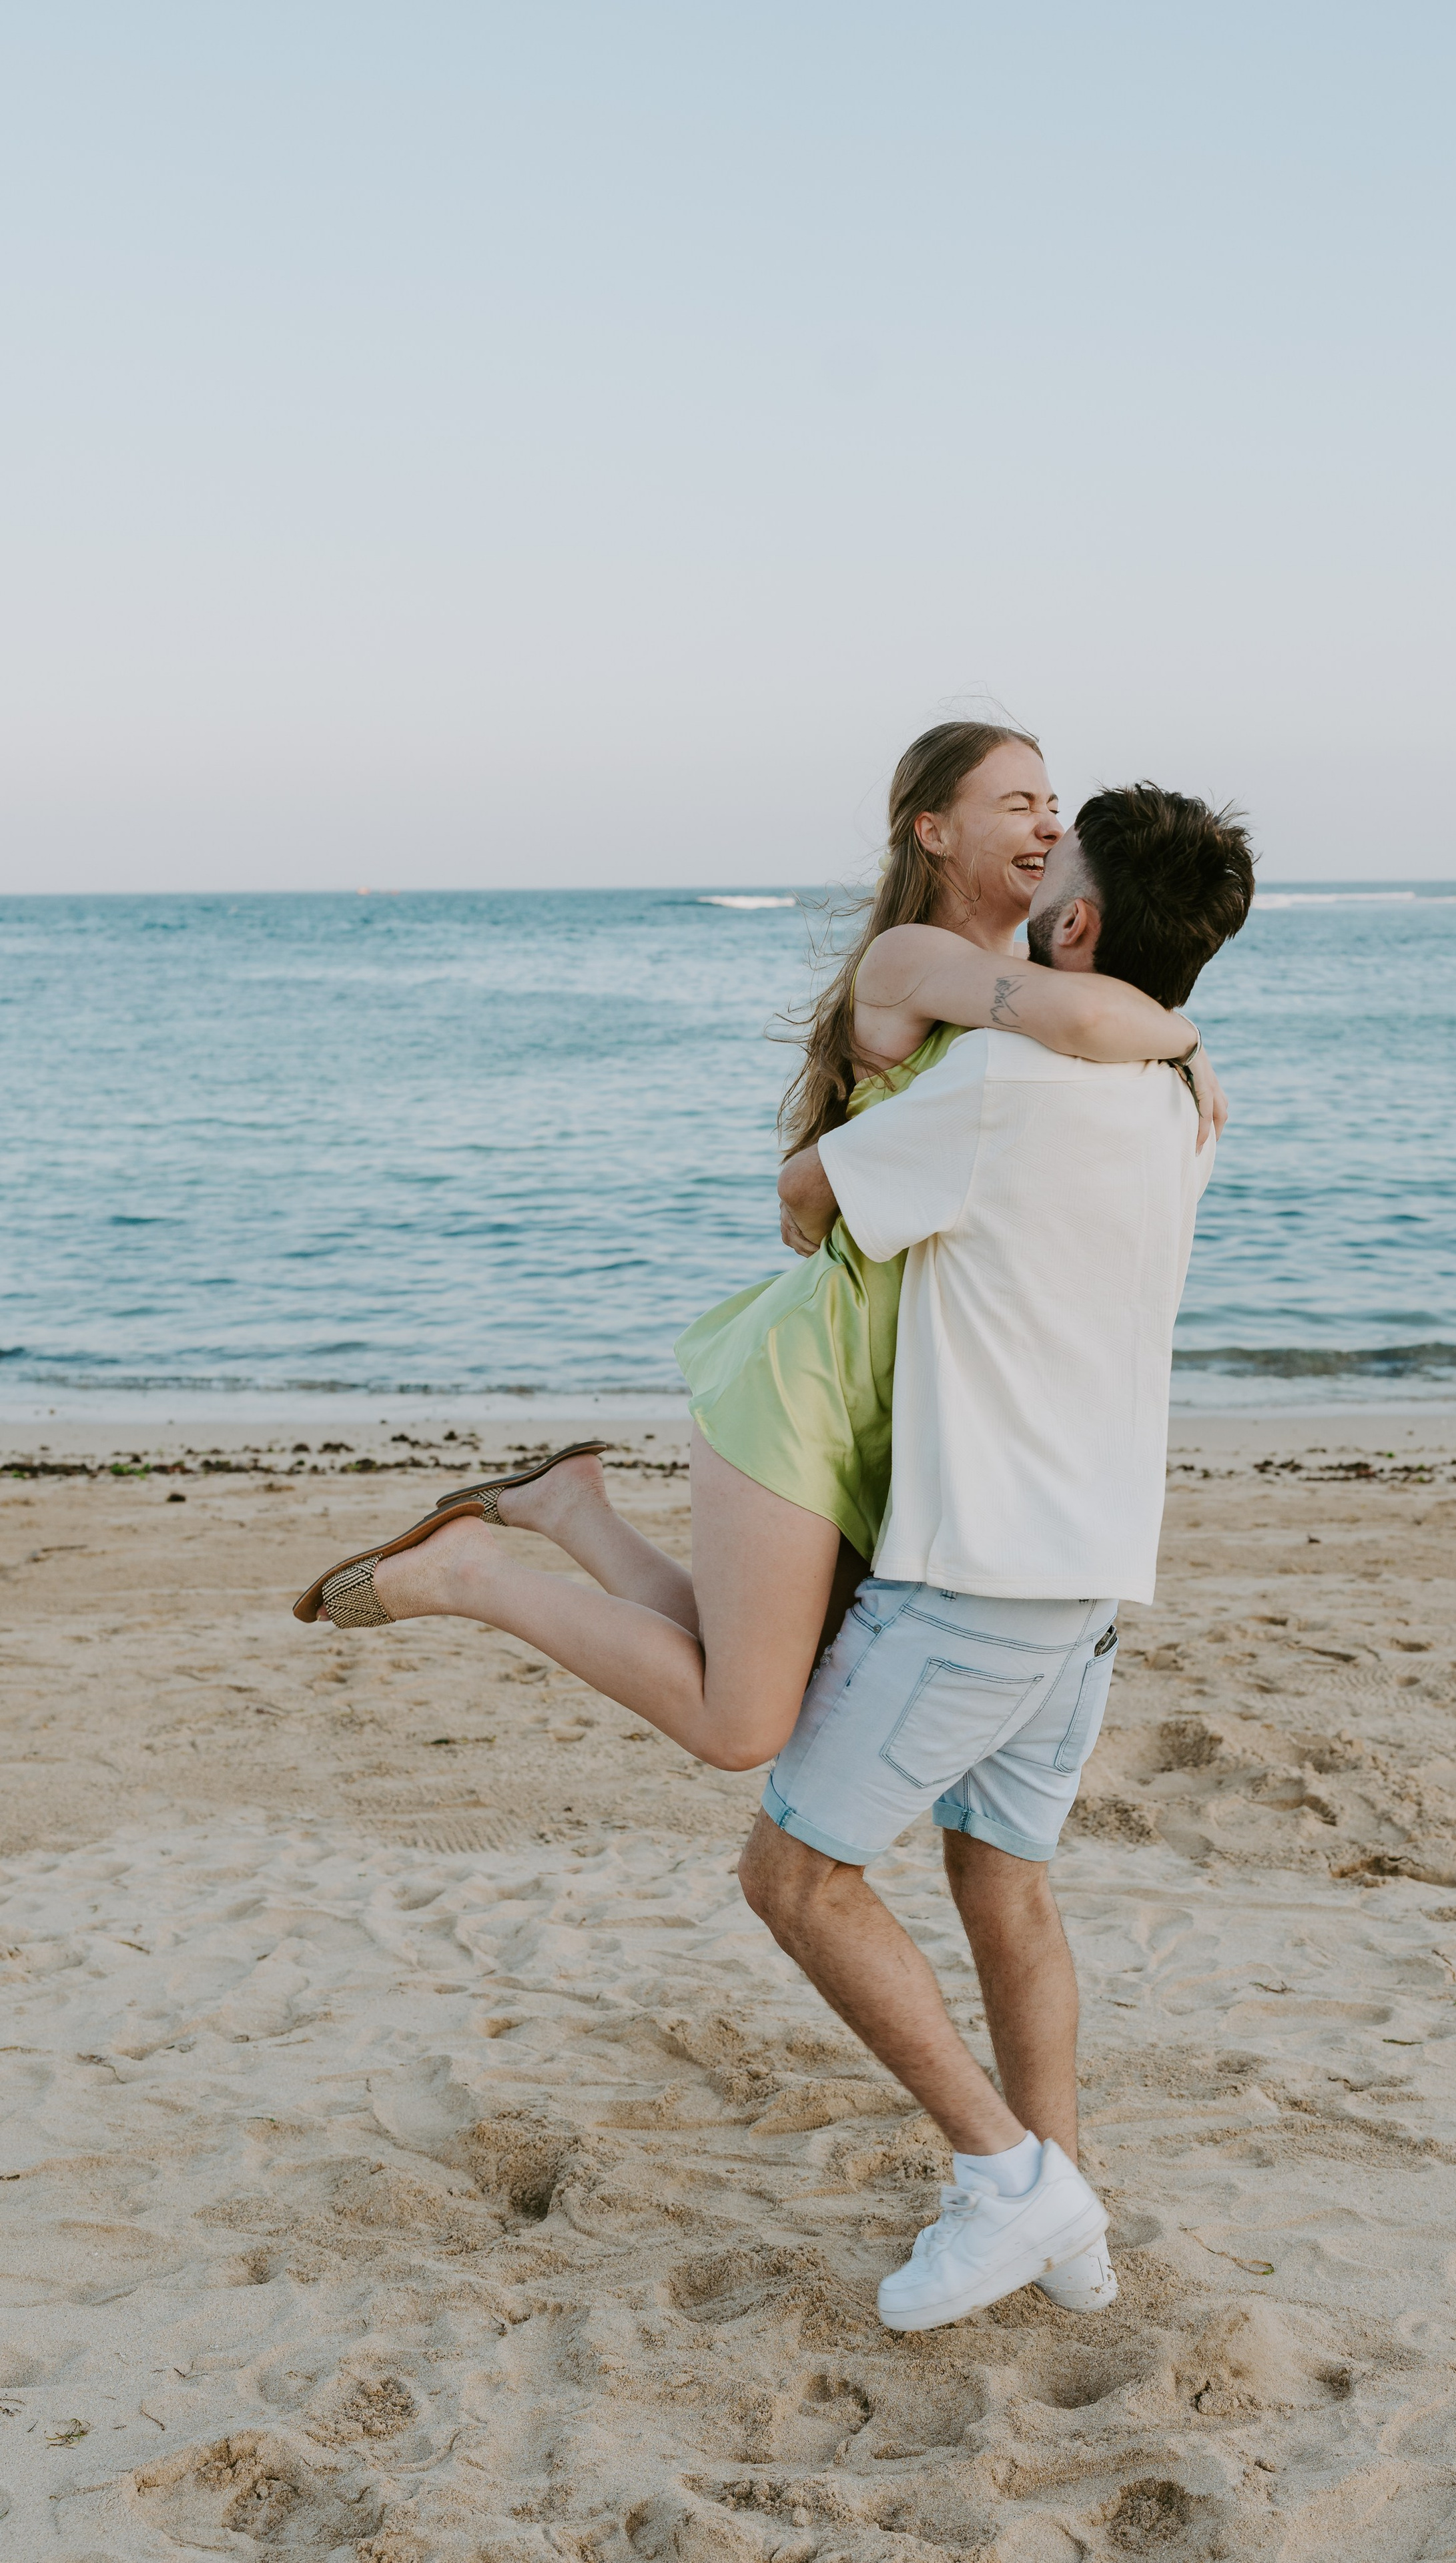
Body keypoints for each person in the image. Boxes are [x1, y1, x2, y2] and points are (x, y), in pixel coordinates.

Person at [292, 725, 1222, 1779]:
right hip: (816, 1377)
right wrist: (1189, 1041)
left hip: (907, 1390)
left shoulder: (1027, 988)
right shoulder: (913, 959)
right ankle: (467, 1575)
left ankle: (569, 1507)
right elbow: (1084, 1014)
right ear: (932, 830)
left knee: (772, 1669)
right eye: (1015, 804)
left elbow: (1080, 1031)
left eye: (1052, 805)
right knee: (743, 1727)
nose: (1049, 823)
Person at [737, 784, 1256, 2327]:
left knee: (795, 1875)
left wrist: (866, 1084)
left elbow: (800, 1209)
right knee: (1000, 1876)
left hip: (971, 1576)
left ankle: (1006, 2180)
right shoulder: (1177, 1103)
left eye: (1060, 867)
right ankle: (1072, 2213)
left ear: (1074, 928)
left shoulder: (1008, 1085)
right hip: (1089, 1573)